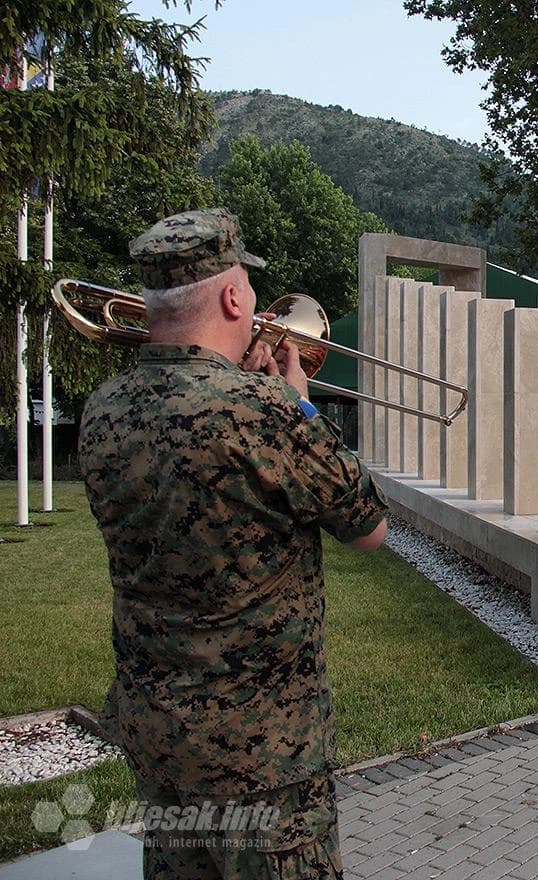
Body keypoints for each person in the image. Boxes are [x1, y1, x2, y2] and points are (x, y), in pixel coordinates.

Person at [78, 208, 389, 878]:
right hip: (263, 757)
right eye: (248, 284)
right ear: (232, 296)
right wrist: (299, 404)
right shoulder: (267, 412)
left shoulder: (103, 410)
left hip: (157, 737)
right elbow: (369, 528)